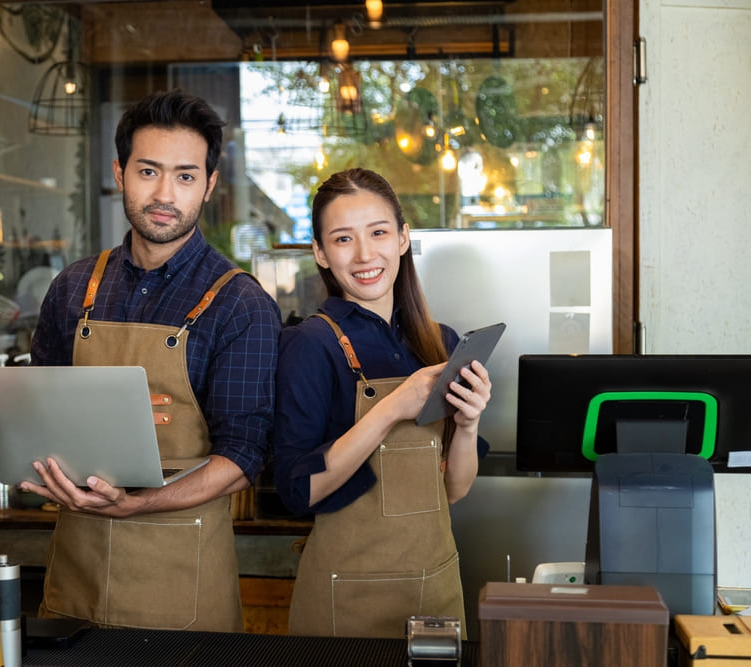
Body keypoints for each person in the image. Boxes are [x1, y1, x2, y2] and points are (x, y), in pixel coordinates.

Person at [25, 89, 282, 632]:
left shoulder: (241, 303)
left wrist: (139, 504)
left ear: (209, 185)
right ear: (120, 173)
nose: (165, 193)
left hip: (182, 587)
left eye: (186, 176)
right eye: (149, 171)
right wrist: (39, 468)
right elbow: (39, 417)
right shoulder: (73, 288)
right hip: (76, 577)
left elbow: (243, 457)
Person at [272, 168, 492, 638]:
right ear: (320, 253)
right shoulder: (310, 345)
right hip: (345, 601)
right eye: (343, 239)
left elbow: (453, 490)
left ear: (403, 238)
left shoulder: (442, 343)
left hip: (436, 588)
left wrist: (469, 424)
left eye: (378, 233)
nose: (366, 254)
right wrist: (392, 407)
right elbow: (299, 492)